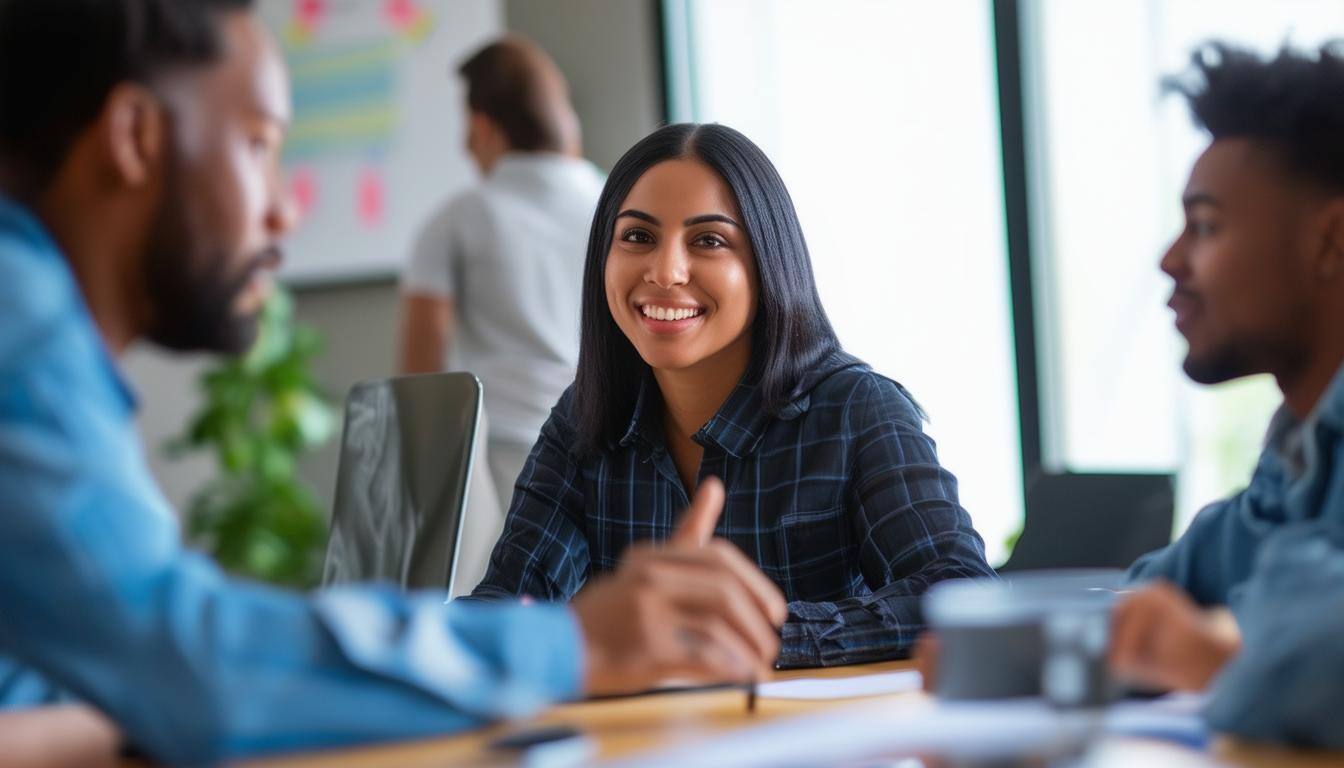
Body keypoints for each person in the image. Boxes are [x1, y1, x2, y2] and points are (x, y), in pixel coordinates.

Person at [0, 1, 786, 764]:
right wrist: (580, 642)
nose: (282, 212)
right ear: (133, 137)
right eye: (258, 145)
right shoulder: (18, 316)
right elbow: (181, 659)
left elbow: (80, 682)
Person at [470, 122, 996, 668]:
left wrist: (760, 633)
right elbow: (506, 607)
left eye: (709, 241)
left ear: (766, 265)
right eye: (638, 237)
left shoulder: (858, 409)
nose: (666, 271)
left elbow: (963, 591)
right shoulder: (584, 417)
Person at [1107, 41, 1344, 748]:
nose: (1169, 260)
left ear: (1331, 241)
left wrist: (1214, 656)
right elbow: (1151, 602)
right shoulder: (1298, 461)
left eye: (1206, 226)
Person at [398, 36, 604, 543]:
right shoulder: (616, 208)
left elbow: (419, 382)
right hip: (611, 451)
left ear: (482, 125)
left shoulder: (457, 220)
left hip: (505, 466)